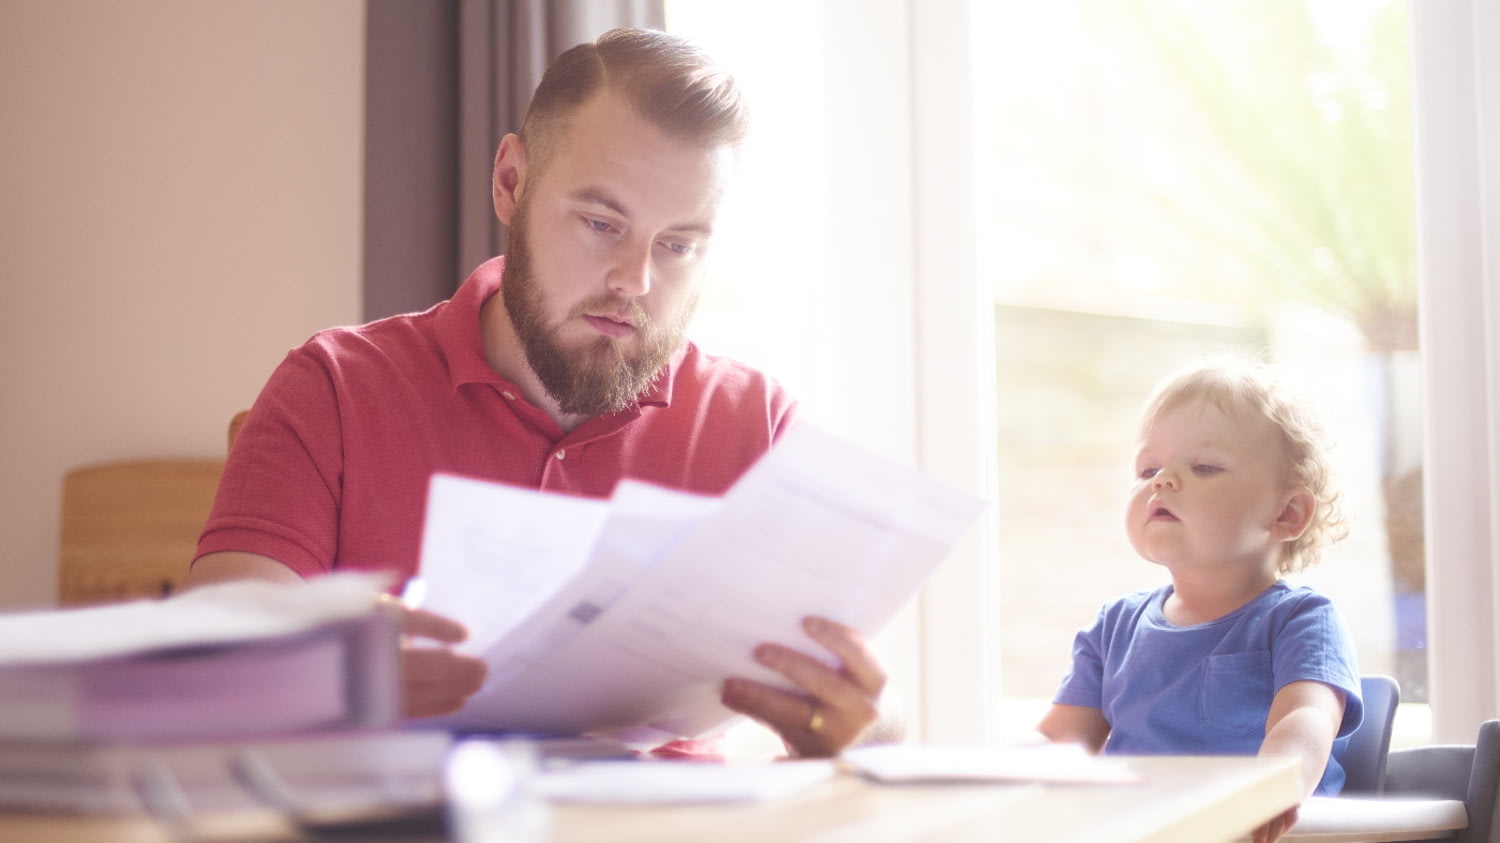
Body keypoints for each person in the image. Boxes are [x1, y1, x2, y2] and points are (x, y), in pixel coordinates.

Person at [183, 28, 885, 759]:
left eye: (677, 244)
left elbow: (867, 711)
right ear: (511, 181)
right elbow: (207, 662)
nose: (634, 279)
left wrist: (853, 726)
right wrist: (329, 663)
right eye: (602, 223)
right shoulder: (334, 386)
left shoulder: (758, 426)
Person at [1037, 359, 1362, 843]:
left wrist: (1268, 788)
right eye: (1148, 469)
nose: (1161, 481)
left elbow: (1306, 719)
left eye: (1204, 466)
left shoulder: (1299, 620)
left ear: (1287, 513)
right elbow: (1061, 743)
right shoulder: (1114, 626)